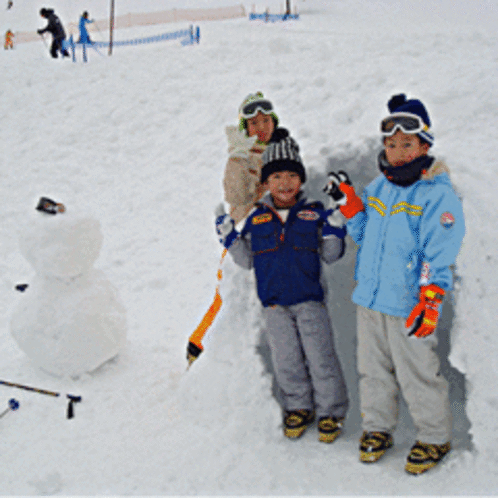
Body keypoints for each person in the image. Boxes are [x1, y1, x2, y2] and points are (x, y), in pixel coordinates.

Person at [325, 94, 465, 474]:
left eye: (407, 144)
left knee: (417, 373)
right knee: (372, 371)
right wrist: (351, 206)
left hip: (407, 306)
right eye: (391, 144)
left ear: (424, 145)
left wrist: (430, 299)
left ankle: (434, 437)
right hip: (370, 299)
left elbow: (439, 253)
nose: (398, 151)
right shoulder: (380, 189)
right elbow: (366, 234)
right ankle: (377, 428)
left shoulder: (437, 194)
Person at [216, 127, 349, 442]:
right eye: (276, 177)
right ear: (267, 182)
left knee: (320, 357)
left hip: (308, 301)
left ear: (301, 180)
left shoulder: (313, 213)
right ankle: (298, 408)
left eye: (291, 176)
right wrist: (230, 240)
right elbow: (247, 261)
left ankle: (331, 411)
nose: (284, 183)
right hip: (274, 304)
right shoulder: (257, 217)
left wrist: (335, 231)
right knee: (286, 359)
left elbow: (331, 256)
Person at [223, 92, 279, 225]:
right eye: (254, 123)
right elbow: (236, 196)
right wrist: (238, 157)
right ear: (245, 128)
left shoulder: (283, 152)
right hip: (248, 233)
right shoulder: (242, 158)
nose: (261, 127)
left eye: (266, 120)